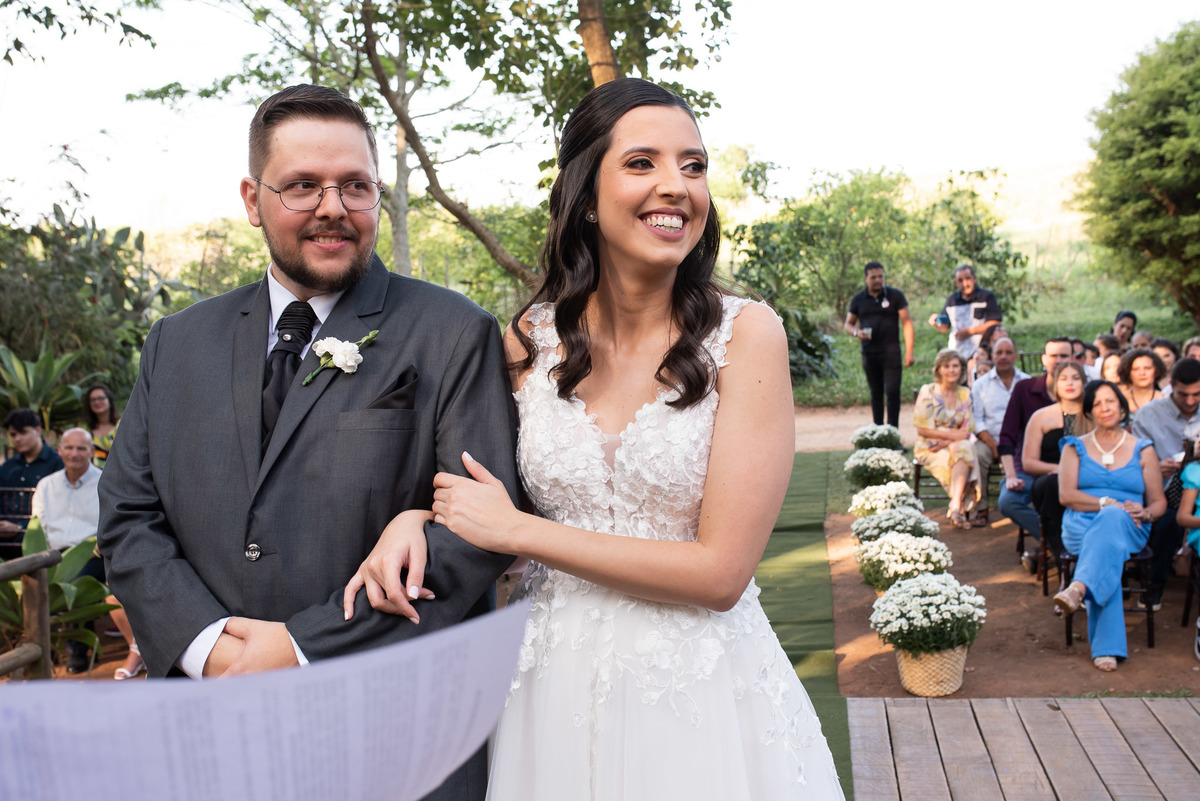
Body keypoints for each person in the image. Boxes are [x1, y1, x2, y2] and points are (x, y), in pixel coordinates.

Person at [346, 79, 845, 799]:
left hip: (697, 689)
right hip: (552, 687)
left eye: (694, 165)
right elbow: (485, 499)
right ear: (586, 193)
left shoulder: (746, 335)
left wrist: (524, 530)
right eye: (643, 163)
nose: (676, 186)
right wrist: (415, 516)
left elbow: (719, 574)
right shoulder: (526, 343)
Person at [97, 85, 519, 801]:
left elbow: (477, 535)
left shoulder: (453, 332)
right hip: (215, 734)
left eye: (355, 186)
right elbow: (129, 516)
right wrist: (209, 648)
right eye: (302, 186)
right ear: (251, 197)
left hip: (398, 740)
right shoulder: (176, 342)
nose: (333, 206)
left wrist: (298, 647)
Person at [1054, 381, 1165, 672]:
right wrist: (1105, 502)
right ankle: (1105, 646)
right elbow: (1066, 496)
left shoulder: (1143, 449)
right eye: (1098, 404)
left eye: (1111, 401)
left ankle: (1078, 588)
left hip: (1131, 525)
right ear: (1089, 412)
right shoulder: (1074, 446)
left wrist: (1146, 512)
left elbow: (1158, 503)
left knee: (1112, 530)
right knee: (1107, 540)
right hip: (1081, 525)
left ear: (1121, 405)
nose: (1106, 408)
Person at [31, 429, 143, 678]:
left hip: (93, 554)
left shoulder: (105, 482)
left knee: (75, 579)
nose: (75, 453)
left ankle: (76, 651)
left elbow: (109, 527)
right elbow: (39, 525)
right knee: (42, 578)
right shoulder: (46, 486)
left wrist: (87, 552)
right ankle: (44, 650)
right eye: (69, 447)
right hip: (54, 556)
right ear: (59, 450)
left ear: (92, 452)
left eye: (82, 448)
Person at [1131, 357, 1200, 610]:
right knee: (1168, 521)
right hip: (1162, 490)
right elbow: (1134, 460)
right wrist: (1155, 467)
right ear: (1171, 386)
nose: (1191, 401)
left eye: (1197, 394)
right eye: (1184, 395)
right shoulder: (1149, 414)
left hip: (1198, 491)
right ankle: (1154, 587)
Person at [997, 338, 1073, 549]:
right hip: (1028, 472)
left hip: (1072, 474)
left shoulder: (1080, 396)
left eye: (1064, 356)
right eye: (1053, 356)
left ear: (1073, 359)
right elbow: (1006, 438)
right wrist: (1011, 476)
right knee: (1007, 501)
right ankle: (1054, 541)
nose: (1058, 361)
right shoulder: (1025, 389)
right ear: (1044, 359)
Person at [1021, 362, 1093, 572]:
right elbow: (1028, 463)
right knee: (1053, 485)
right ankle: (1066, 563)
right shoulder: (1041, 417)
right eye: (1063, 378)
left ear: (1084, 382)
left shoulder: (1092, 415)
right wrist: (1060, 470)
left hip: (1088, 479)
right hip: (1050, 480)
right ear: (1055, 384)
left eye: (1075, 378)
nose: (1070, 383)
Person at [914, 349, 980, 528]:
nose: (952, 370)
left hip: (955, 443)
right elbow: (922, 429)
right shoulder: (928, 391)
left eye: (956, 366)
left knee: (965, 448)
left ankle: (955, 505)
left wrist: (950, 440)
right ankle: (960, 507)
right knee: (951, 459)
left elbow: (967, 428)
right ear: (939, 370)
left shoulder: (965, 393)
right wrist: (951, 437)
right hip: (930, 445)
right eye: (947, 366)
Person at [844, 260, 915, 428]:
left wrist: (909, 351)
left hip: (892, 353)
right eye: (873, 277)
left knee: (892, 393)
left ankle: (892, 433)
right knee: (876, 393)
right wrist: (856, 332)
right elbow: (848, 324)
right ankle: (877, 432)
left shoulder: (895, 295)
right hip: (869, 354)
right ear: (866, 278)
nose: (877, 280)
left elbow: (907, 323)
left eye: (880, 276)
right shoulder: (859, 299)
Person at [970, 336, 1029, 526]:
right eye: (999, 353)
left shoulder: (1027, 383)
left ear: (1016, 356)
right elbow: (977, 419)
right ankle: (981, 508)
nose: (1004, 357)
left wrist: (1010, 446)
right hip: (990, 440)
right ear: (992, 356)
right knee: (977, 455)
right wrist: (992, 443)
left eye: (1008, 352)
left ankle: (1024, 507)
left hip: (1020, 442)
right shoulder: (981, 384)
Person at [0, 408, 64, 535]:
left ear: (38, 430)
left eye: (23, 432)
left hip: (42, 535)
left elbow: (60, 508)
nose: (17, 438)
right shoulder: (8, 467)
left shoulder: (58, 464)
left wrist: (20, 527)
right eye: (13, 434)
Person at [927, 264, 1002, 359]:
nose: (965, 284)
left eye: (968, 279)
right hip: (957, 352)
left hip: (981, 352)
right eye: (960, 280)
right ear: (955, 283)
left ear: (974, 278)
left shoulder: (986, 297)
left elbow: (995, 323)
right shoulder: (952, 300)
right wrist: (936, 322)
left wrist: (970, 331)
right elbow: (944, 328)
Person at [83, 383, 120, 468]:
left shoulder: (122, 426)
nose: (97, 402)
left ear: (109, 401)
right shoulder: (85, 430)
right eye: (93, 400)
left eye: (101, 398)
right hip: (92, 478)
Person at [1118, 347, 1166, 413]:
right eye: (1136, 369)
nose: (1142, 373)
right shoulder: (1120, 401)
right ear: (1128, 372)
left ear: (1156, 371)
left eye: (1147, 368)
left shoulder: (1166, 401)